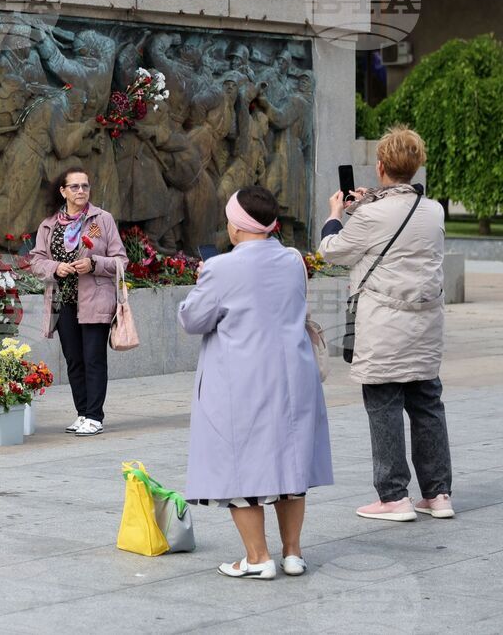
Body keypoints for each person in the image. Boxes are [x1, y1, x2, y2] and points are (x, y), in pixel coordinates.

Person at [178, 185, 333, 580]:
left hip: (242, 380)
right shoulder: (293, 260)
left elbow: (192, 319)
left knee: (239, 465)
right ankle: (293, 553)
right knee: (290, 463)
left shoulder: (222, 267)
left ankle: (258, 556)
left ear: (237, 227)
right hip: (293, 376)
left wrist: (203, 282)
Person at [318, 126, 454, 521]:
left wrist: (336, 214)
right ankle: (438, 494)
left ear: (380, 166)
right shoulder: (433, 209)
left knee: (384, 405)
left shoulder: (372, 214)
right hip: (426, 324)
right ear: (415, 166)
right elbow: (396, 231)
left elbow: (332, 251)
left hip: (385, 326)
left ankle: (394, 497)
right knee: (428, 403)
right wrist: (365, 209)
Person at [29, 167, 128, 437]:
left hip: (95, 300)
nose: (81, 191)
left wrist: (94, 263)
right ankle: (82, 413)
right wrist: (54, 267)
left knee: (93, 358)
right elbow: (36, 261)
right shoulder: (49, 225)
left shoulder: (101, 220)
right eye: (74, 187)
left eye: (85, 186)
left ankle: (95, 416)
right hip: (63, 302)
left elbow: (121, 261)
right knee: (74, 359)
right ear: (63, 191)